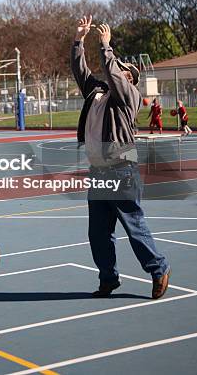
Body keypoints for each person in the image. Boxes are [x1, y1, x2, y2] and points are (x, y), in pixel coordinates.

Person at [71, 15, 170, 299]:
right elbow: (81, 71)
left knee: (134, 225)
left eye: (121, 70)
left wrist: (105, 46)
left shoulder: (129, 96)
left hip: (121, 169)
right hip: (99, 171)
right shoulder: (97, 93)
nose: (115, 71)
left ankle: (159, 269)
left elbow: (112, 71)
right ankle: (108, 278)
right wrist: (79, 40)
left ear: (129, 78)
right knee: (99, 233)